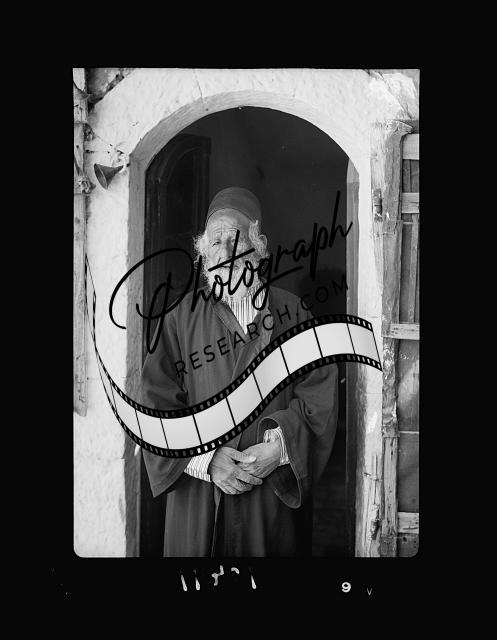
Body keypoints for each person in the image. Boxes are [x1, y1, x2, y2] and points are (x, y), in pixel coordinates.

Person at [140, 186, 339, 557]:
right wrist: (206, 461)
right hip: (198, 500)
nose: (225, 252)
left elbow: (319, 399)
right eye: (215, 242)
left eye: (235, 239)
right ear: (204, 255)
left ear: (258, 247)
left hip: (269, 498)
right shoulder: (179, 318)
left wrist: (280, 449)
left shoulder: (294, 314)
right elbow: (154, 405)